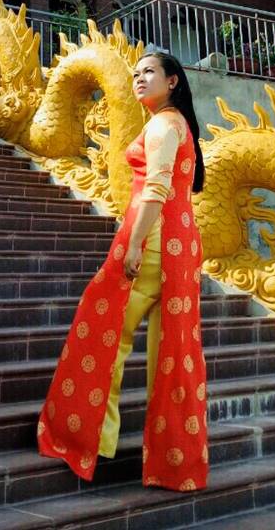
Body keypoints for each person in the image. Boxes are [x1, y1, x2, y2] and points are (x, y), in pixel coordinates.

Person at [37, 52, 208, 491]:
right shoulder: (175, 125)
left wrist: (133, 246)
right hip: (179, 243)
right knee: (175, 353)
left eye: (149, 72)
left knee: (102, 330)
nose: (138, 78)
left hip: (152, 245)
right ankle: (174, 462)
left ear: (173, 81)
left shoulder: (164, 125)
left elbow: (157, 185)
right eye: (135, 73)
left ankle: (84, 437)